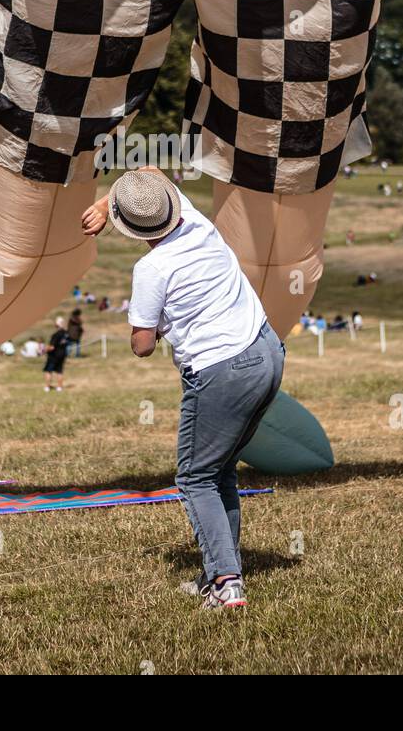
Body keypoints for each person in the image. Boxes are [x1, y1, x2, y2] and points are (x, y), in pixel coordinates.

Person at [83, 167, 282, 610]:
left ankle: (227, 584)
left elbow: (141, 346)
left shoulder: (151, 268)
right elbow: (151, 173)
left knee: (195, 478)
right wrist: (106, 203)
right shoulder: (196, 221)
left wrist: (148, 323)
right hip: (266, 350)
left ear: (128, 229)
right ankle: (217, 570)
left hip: (222, 370)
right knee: (220, 470)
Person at [43, 316, 69, 392]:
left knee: (48, 371)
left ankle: (47, 387)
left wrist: (44, 349)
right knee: (59, 371)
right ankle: (59, 387)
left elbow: (52, 347)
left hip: (54, 356)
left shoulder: (56, 335)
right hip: (62, 355)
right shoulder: (66, 334)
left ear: (56, 324)